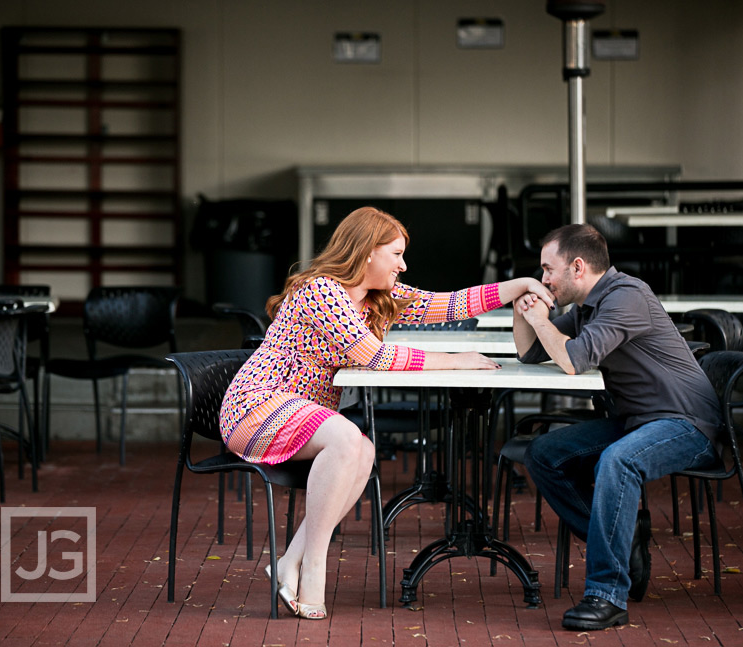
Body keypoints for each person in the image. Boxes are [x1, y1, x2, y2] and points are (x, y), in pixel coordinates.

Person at [219, 206, 541, 620]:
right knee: (347, 439)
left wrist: (519, 286)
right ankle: (313, 570)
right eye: (396, 254)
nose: (403, 265)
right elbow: (373, 357)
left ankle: (289, 563)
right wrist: (454, 360)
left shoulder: (377, 299)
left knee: (363, 450)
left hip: (302, 416)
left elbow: (449, 304)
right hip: (255, 408)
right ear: (367, 252)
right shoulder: (322, 291)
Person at [511, 223, 723, 631]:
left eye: (547, 270)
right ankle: (625, 542)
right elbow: (531, 352)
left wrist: (542, 319)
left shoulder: (626, 296)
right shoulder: (590, 304)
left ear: (577, 267)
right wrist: (524, 308)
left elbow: (575, 359)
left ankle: (607, 596)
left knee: (617, 462)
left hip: (686, 423)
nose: (543, 279)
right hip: (636, 422)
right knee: (543, 455)